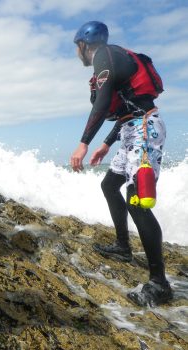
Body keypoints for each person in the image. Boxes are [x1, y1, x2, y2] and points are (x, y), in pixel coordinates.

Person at [70, 21, 172, 307]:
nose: (77, 52)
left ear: (83, 44)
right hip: (132, 128)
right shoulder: (113, 59)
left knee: (137, 201)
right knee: (110, 184)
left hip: (144, 129)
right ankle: (123, 247)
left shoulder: (103, 54)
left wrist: (85, 142)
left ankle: (159, 283)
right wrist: (107, 143)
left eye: (77, 47)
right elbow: (130, 105)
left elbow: (102, 104)